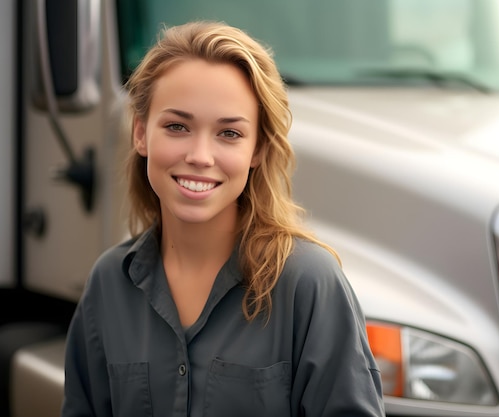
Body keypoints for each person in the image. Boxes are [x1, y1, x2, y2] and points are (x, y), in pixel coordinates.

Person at [61, 20, 385, 417]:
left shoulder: (310, 285)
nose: (200, 155)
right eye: (177, 126)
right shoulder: (108, 284)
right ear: (141, 133)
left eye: (229, 134)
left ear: (258, 150)